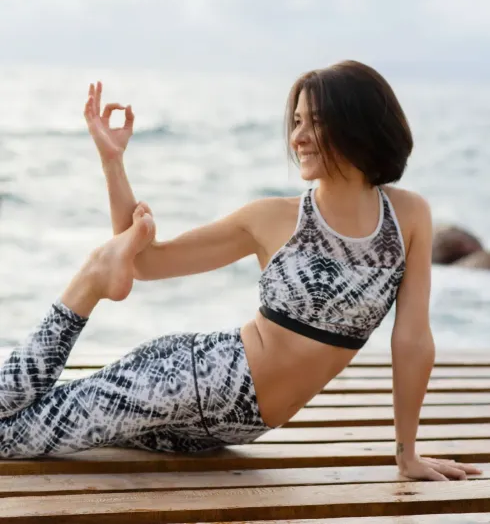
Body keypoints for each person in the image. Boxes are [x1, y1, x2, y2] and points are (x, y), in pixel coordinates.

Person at [0, 61, 481, 483]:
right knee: (8, 437)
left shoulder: (408, 215)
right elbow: (145, 260)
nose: (298, 136)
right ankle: (88, 279)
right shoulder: (272, 218)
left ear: (358, 125)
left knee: (27, 423)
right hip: (194, 377)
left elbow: (413, 339)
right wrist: (113, 161)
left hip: (223, 430)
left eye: (316, 121)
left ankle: (94, 274)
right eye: (296, 122)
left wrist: (406, 454)